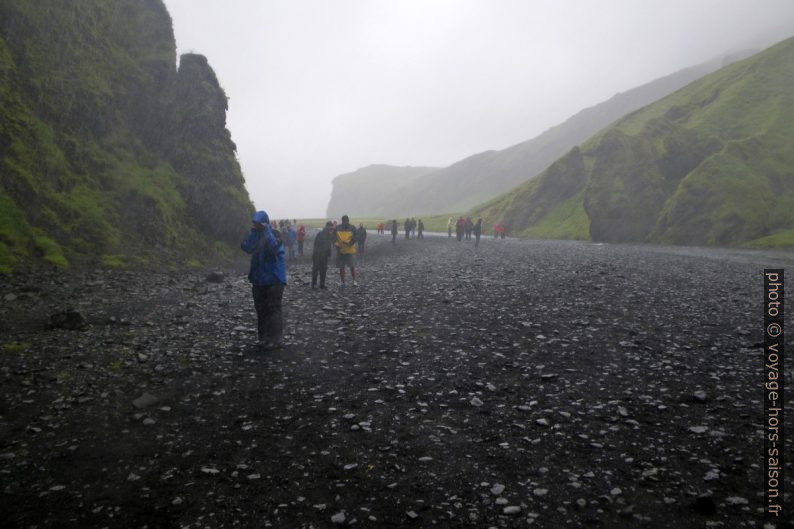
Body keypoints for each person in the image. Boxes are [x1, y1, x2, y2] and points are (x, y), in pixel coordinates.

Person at [241, 210, 287, 349]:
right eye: (255, 223)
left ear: (265, 223)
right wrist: (254, 232)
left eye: (259, 223)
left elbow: (275, 249)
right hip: (259, 279)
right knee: (261, 309)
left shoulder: (275, 234)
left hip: (274, 278)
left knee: (273, 308)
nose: (257, 225)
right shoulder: (255, 235)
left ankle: (276, 339)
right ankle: (263, 338)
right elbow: (246, 247)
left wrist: (266, 231)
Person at [335, 214, 358, 286]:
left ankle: (354, 281)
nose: (344, 222)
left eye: (345, 221)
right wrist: (336, 244)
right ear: (342, 221)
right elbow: (333, 237)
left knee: (352, 266)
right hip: (340, 251)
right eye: (343, 221)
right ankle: (343, 282)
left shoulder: (352, 228)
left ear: (348, 221)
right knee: (341, 267)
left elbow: (356, 237)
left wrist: (350, 243)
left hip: (350, 250)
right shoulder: (337, 227)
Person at [312, 221, 334, 289]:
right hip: (318, 255)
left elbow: (329, 246)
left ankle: (322, 284)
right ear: (326, 227)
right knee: (315, 269)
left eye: (331, 228)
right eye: (330, 228)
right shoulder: (320, 234)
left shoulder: (329, 235)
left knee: (323, 270)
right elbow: (316, 245)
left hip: (325, 256)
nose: (331, 229)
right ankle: (314, 284)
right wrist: (316, 254)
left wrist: (329, 255)